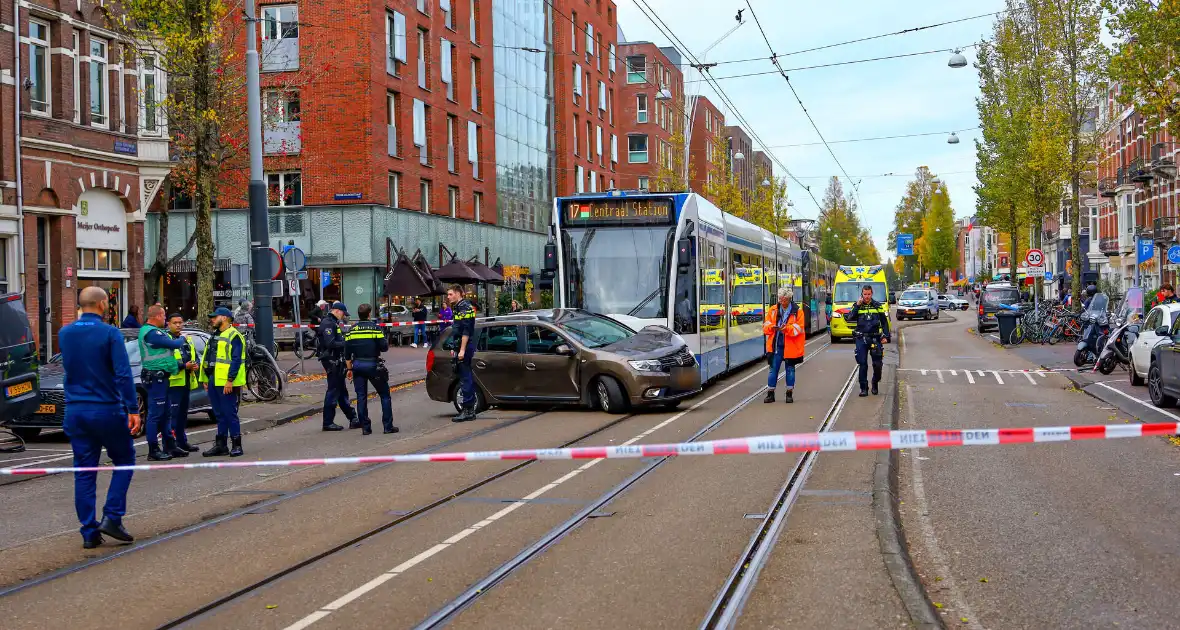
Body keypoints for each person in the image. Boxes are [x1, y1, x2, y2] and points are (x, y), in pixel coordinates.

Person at [58, 286, 142, 548]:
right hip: (106, 409)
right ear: (103, 304)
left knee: (84, 471)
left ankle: (88, 531)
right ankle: (113, 516)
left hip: (75, 410)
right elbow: (122, 373)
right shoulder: (109, 333)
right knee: (125, 459)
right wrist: (133, 408)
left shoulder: (65, 333)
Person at [137, 304, 189, 461]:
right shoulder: (150, 333)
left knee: (166, 414)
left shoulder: (156, 332)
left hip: (163, 377)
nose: (165, 319)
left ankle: (170, 446)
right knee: (155, 415)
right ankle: (153, 450)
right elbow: (174, 344)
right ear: (157, 316)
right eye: (164, 316)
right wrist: (182, 338)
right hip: (155, 378)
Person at [345, 303, 398, 435]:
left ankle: (366, 428)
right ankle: (387, 426)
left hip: (357, 366)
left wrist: (349, 369)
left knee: (361, 397)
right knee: (385, 395)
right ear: (369, 314)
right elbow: (384, 347)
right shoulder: (375, 329)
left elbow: (346, 354)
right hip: (373, 366)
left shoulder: (352, 330)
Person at [200, 307, 247, 457]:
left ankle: (236, 445)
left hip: (226, 381)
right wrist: (206, 379)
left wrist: (230, 380)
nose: (212, 319)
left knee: (229, 413)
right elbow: (210, 358)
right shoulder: (215, 335)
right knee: (219, 414)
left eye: (215, 317)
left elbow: (236, 360)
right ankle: (221, 445)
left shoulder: (234, 335)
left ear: (225, 318)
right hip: (214, 379)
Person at [318, 301, 357, 431]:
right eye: (343, 313)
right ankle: (328, 422)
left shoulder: (332, 322)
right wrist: (347, 343)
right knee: (334, 390)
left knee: (340, 390)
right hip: (331, 361)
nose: (344, 316)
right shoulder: (328, 323)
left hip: (335, 360)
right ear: (337, 311)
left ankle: (353, 418)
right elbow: (330, 343)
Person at [762, 287, 805, 403]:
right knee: (773, 369)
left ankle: (789, 394)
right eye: (780, 299)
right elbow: (766, 326)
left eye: (784, 300)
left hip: (790, 346)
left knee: (790, 369)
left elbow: (798, 329)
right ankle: (770, 394)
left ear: (789, 299)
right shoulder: (773, 310)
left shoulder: (798, 312)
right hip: (776, 345)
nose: (782, 302)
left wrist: (785, 329)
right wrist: (772, 327)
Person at [848, 284, 891, 397]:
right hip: (861, 338)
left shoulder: (878, 306)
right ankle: (864, 388)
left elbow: (884, 322)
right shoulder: (857, 306)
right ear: (862, 294)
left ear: (872, 294)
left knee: (877, 364)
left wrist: (886, 336)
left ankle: (875, 383)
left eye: (869, 294)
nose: (867, 296)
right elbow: (849, 318)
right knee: (862, 364)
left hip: (875, 338)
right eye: (865, 294)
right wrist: (857, 306)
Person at [167, 313, 201, 452]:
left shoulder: (186, 339)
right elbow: (166, 361)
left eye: (180, 322)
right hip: (173, 383)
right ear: (168, 324)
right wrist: (183, 366)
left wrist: (195, 364)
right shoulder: (166, 340)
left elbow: (194, 355)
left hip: (186, 381)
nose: (178, 325)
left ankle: (182, 442)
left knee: (182, 415)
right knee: (173, 416)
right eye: (175, 322)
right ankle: (172, 444)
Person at [448, 284, 478, 422]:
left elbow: (466, 331)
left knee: (466, 379)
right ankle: (468, 410)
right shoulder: (459, 307)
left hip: (464, 347)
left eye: (450, 294)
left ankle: (468, 410)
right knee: (464, 378)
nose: (448, 297)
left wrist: (462, 350)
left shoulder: (464, 307)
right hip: (460, 346)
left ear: (458, 293)